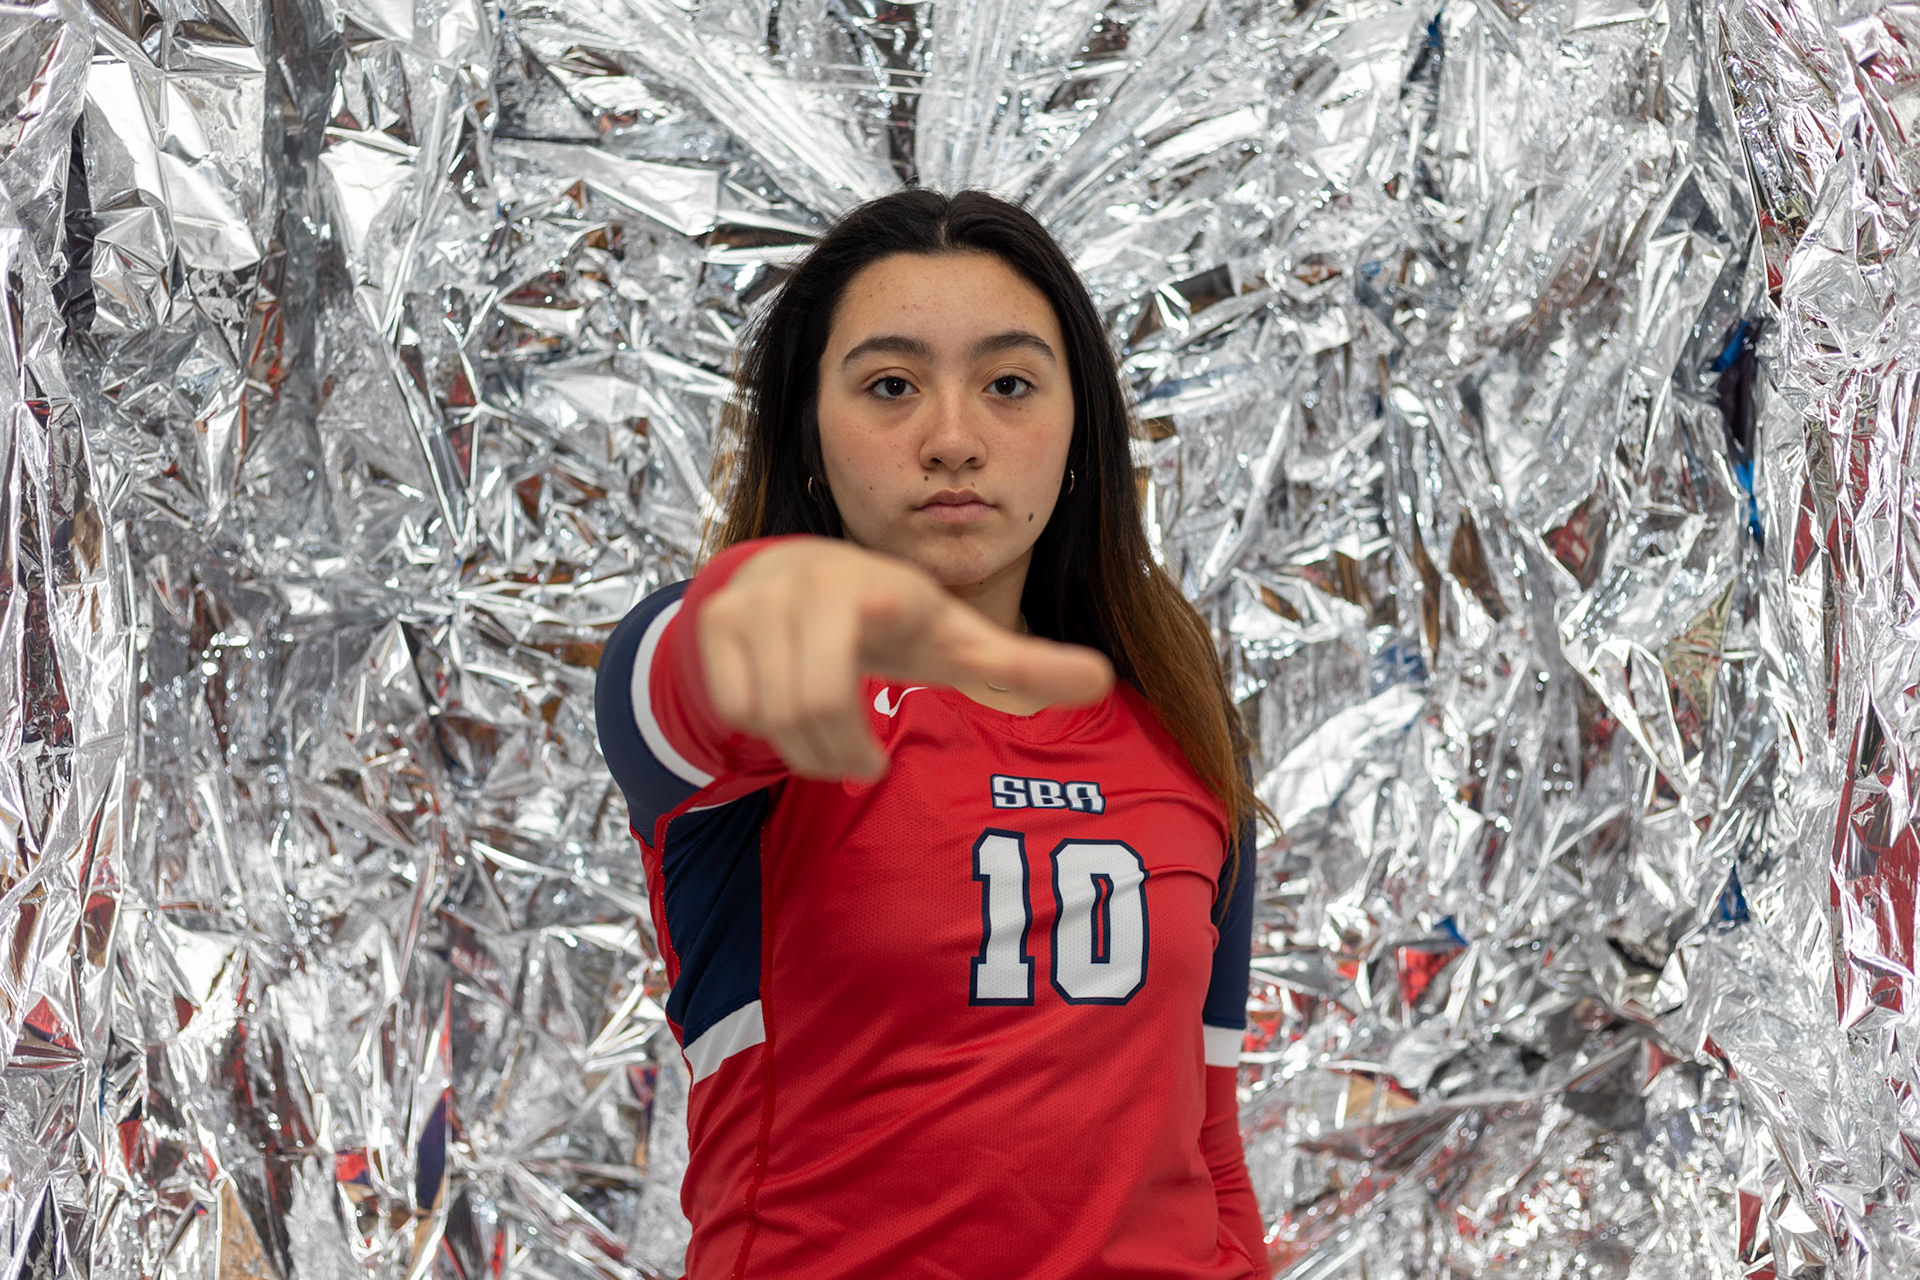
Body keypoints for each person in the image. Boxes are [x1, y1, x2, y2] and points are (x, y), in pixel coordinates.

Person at [594, 187, 1273, 1280]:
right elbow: (679, 676)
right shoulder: (761, 706)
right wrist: (753, 608)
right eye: (891, 385)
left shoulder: (1181, 736)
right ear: (809, 433)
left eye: (1008, 385)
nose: (953, 439)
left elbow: (1210, 1152)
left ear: (1078, 431)